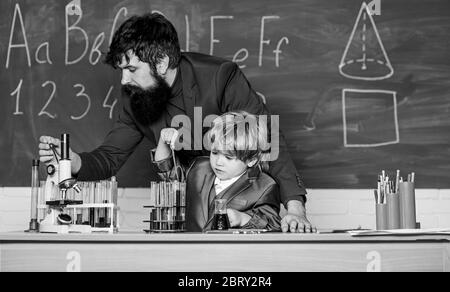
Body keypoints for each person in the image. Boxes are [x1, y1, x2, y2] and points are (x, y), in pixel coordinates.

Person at [38, 12, 316, 233]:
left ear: (161, 63)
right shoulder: (134, 96)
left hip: (242, 210)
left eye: (132, 69)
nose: (124, 81)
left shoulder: (220, 76)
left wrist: (295, 209)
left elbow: (268, 140)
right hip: (187, 218)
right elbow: (110, 157)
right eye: (122, 71)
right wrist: (75, 163)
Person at [153, 111, 281, 232]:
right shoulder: (199, 168)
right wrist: (163, 140)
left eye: (228, 157)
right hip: (189, 249)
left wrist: (242, 218)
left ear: (251, 160)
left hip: (227, 253)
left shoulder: (265, 186)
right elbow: (167, 171)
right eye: (214, 152)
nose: (218, 162)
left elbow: (273, 224)